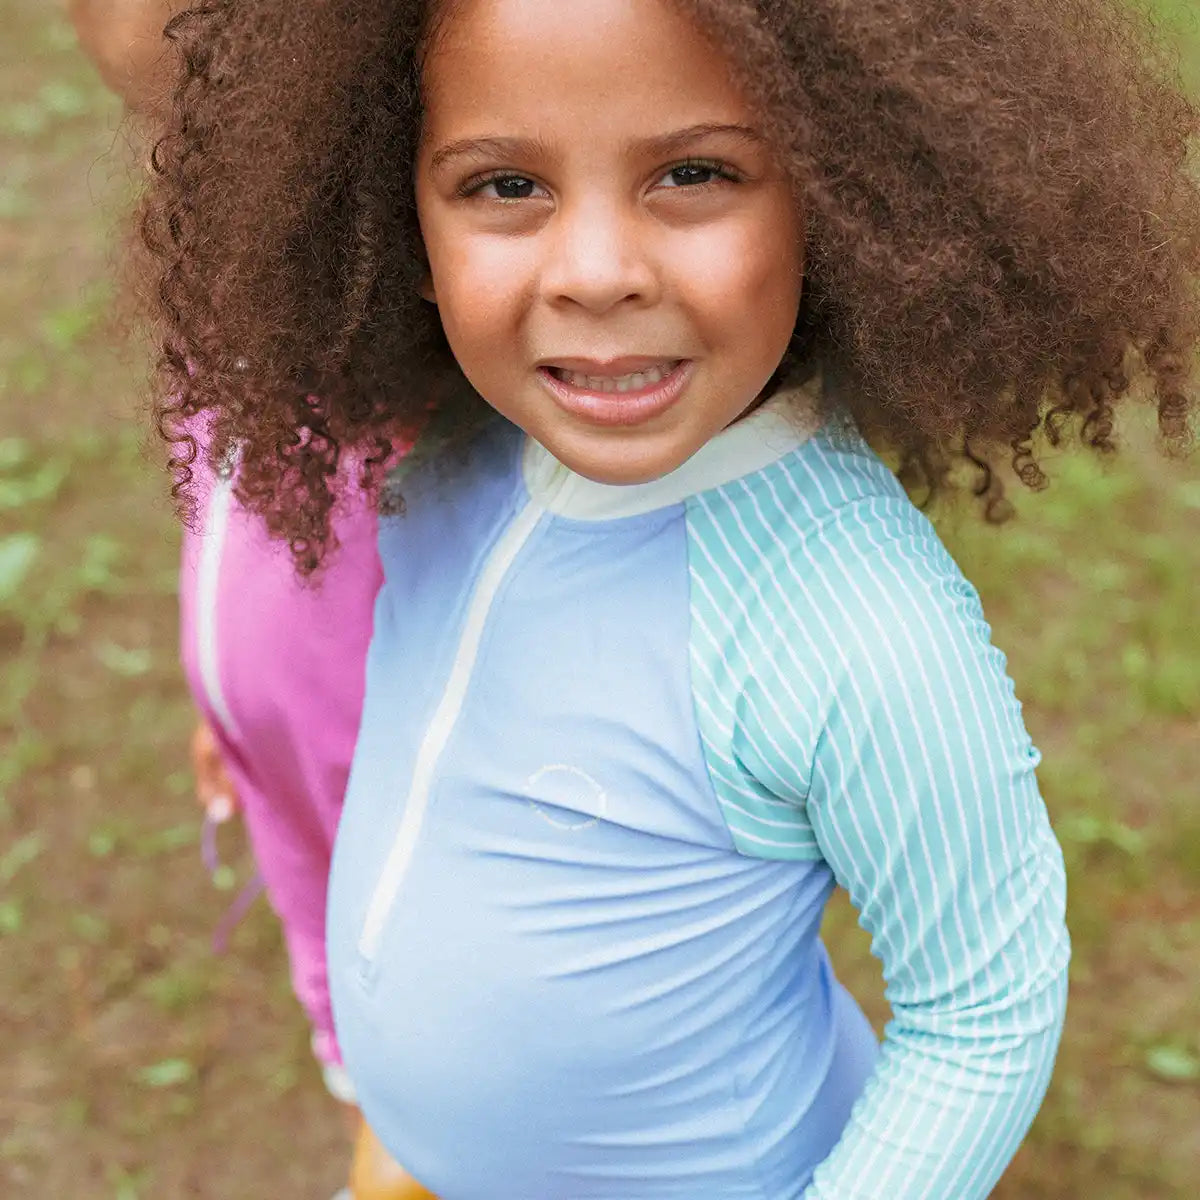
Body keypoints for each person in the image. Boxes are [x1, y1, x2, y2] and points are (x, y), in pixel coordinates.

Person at [136, 0, 1200, 1196]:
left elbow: (986, 1011)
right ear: (396, 215)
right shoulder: (454, 450)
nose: (598, 274)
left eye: (694, 174)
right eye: (504, 186)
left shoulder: (852, 623)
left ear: (847, 193)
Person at [69, 5, 431, 1196]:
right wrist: (224, 692)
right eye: (173, 149)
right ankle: (372, 1098)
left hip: (418, 817)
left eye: (223, 146)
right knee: (335, 978)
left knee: (421, 1051)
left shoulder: (411, 343)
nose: (202, 203)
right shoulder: (230, 272)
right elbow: (230, 512)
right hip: (286, 769)